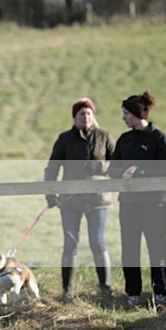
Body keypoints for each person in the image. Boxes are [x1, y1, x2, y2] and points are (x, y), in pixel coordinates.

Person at [45, 98, 116, 299]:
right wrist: (50, 194)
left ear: (93, 116)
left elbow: (117, 165)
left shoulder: (104, 137)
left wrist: (98, 170)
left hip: (98, 200)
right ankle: (67, 291)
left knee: (97, 242)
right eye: (81, 114)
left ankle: (106, 288)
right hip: (70, 201)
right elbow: (52, 167)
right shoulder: (64, 139)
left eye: (88, 113)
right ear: (74, 117)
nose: (85, 117)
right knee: (70, 243)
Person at [109, 92, 166, 307]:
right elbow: (112, 169)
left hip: (154, 204)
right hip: (128, 204)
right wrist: (122, 174)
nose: (123, 118)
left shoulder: (159, 138)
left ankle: (162, 292)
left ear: (137, 114)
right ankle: (133, 293)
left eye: (126, 113)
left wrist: (141, 172)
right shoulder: (124, 139)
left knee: (157, 247)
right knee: (130, 248)